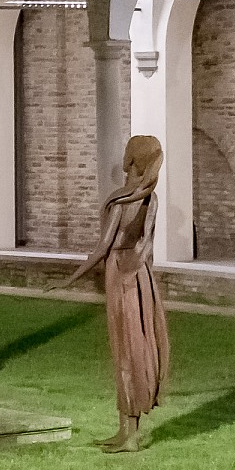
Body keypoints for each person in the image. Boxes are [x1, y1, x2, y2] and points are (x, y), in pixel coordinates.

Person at [64, 135, 169, 451]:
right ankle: (127, 430)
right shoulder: (150, 197)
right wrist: (139, 271)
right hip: (138, 275)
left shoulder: (122, 199)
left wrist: (72, 278)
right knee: (135, 348)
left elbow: (103, 247)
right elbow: (147, 244)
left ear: (134, 159)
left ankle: (130, 435)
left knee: (125, 351)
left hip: (120, 272)